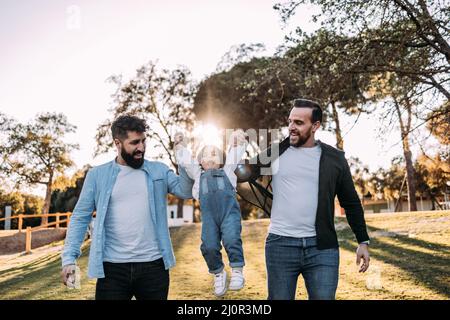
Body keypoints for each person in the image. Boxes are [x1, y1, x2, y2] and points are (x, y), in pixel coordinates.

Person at [61, 114, 194, 300]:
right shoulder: (97, 175)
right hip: (112, 269)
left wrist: (184, 160)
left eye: (143, 141)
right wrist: (69, 258)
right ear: (118, 143)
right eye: (134, 143)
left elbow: (187, 191)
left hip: (153, 267)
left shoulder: (159, 170)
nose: (141, 147)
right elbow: (80, 217)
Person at [263, 98, 371, 300]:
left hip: (322, 249)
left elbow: (351, 202)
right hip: (280, 245)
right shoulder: (275, 153)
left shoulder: (335, 158)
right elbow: (242, 174)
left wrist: (362, 241)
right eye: (290, 121)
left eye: (299, 123)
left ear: (315, 126)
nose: (291, 127)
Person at [173, 130, 248, 297]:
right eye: (206, 154)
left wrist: (238, 140)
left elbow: (236, 153)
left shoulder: (228, 170)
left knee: (231, 238)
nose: (211, 156)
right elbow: (186, 160)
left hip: (229, 214)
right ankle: (218, 273)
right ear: (200, 161)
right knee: (208, 245)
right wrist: (179, 145)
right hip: (209, 219)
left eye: (215, 154)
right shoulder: (198, 175)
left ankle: (237, 271)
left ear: (222, 160)